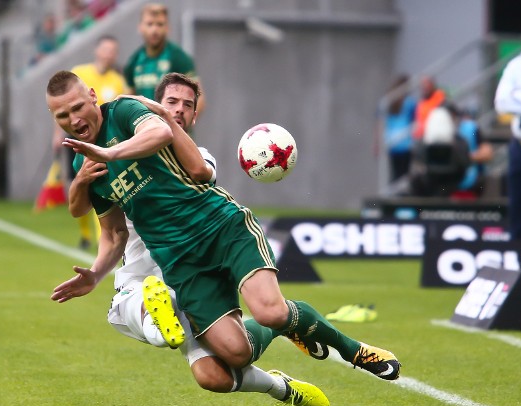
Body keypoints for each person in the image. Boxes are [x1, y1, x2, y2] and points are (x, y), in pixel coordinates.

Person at [47, 71, 400, 387]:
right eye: (63, 115)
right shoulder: (84, 159)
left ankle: (354, 350)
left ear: (93, 95)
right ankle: (291, 327)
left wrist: (112, 154)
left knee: (270, 311)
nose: (74, 119)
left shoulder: (123, 112)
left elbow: (160, 132)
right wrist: (94, 275)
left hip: (221, 229)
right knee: (236, 354)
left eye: (78, 107)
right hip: (181, 263)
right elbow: (113, 234)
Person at [51, 34, 127, 249]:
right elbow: (62, 108)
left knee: (102, 186)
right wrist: (57, 135)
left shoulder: (117, 80)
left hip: (106, 143)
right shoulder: (80, 73)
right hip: (76, 137)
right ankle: (85, 234)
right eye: (106, 49)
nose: (109, 54)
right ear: (97, 50)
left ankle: (103, 235)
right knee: (79, 183)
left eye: (113, 51)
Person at [494, 16, 521, 241]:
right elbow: (501, 103)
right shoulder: (518, 64)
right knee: (517, 208)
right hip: (519, 146)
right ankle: (518, 261)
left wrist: (518, 97)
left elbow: (512, 99)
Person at [123, 3, 205, 115]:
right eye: (150, 24)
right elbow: (128, 101)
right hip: (147, 129)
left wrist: (179, 126)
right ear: (140, 27)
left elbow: (199, 99)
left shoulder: (178, 58)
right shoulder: (133, 62)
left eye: (160, 24)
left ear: (167, 28)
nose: (154, 30)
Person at [408, 106, 471, 197]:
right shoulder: (460, 143)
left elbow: (465, 165)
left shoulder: (460, 143)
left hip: (453, 187)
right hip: (430, 189)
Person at [381, 74, 417, 182]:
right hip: (405, 142)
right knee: (404, 175)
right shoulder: (410, 102)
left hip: (392, 142)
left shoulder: (389, 101)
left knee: (395, 174)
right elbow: (414, 120)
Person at [412, 75, 446, 142]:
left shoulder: (439, 96)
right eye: (422, 84)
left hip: (436, 137)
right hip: (423, 138)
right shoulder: (421, 103)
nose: (424, 87)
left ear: (432, 85)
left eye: (426, 84)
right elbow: (419, 122)